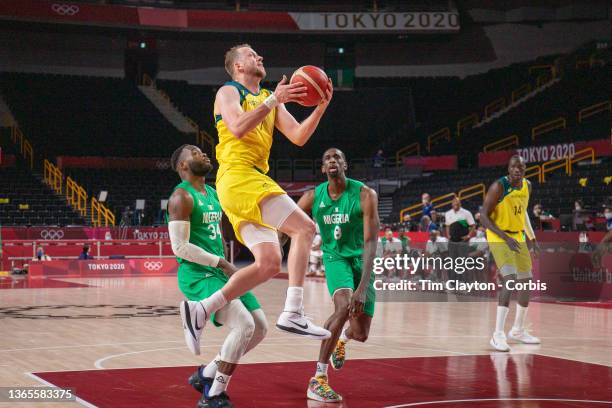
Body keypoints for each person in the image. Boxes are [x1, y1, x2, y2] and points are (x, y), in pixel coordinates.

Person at [180, 44, 333, 352]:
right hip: (238, 176)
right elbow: (236, 127)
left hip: (248, 180)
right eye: (251, 55)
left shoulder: (268, 99)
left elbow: (298, 136)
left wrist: (320, 106)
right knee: (305, 229)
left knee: (268, 263)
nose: (260, 57)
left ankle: (201, 310)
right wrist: (275, 99)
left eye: (259, 55)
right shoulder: (228, 92)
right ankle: (293, 312)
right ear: (238, 66)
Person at [168, 145, 267, 408]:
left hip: (221, 271)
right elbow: (179, 248)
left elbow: (217, 236)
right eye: (196, 152)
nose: (203, 154)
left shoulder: (212, 193)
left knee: (260, 328)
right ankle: (213, 394)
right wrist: (221, 262)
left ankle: (207, 373)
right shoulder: (181, 197)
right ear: (183, 166)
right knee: (245, 325)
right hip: (199, 275)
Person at [290, 148, 379, 403]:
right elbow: (287, 224)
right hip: (335, 258)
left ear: (345, 164)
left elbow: (371, 242)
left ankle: (343, 338)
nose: (332, 160)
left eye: (337, 157)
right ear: (322, 168)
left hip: (362, 259)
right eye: (327, 158)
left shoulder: (365, 195)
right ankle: (318, 378)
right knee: (342, 307)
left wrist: (362, 287)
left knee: (361, 333)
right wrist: (271, 248)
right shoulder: (311, 197)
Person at [480, 155, 541, 352]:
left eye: (521, 168)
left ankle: (518, 330)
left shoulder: (527, 186)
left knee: (526, 280)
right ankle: (497, 334)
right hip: (498, 236)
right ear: (509, 168)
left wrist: (532, 238)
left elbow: (523, 214)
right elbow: (484, 217)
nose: (518, 170)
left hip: (518, 236)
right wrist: (505, 238)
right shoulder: (499, 186)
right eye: (514, 167)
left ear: (524, 170)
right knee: (510, 279)